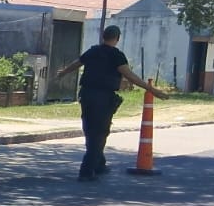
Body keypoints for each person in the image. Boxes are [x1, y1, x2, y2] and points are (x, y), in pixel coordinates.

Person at [52, 25, 168, 181]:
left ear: (103, 36)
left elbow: (77, 63)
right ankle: (87, 170)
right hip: (103, 97)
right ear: (117, 38)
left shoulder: (93, 51)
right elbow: (130, 76)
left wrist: (63, 72)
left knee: (90, 129)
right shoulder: (116, 55)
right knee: (100, 132)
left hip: (86, 94)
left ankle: (99, 164)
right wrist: (152, 89)